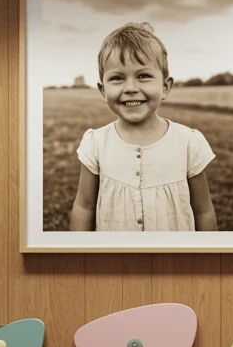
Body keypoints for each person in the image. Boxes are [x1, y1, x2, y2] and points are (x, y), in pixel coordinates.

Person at [69, 22, 218, 232]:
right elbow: (84, 207)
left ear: (165, 87)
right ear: (103, 90)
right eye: (117, 78)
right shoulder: (96, 144)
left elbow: (203, 211)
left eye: (143, 76)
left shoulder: (187, 143)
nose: (130, 88)